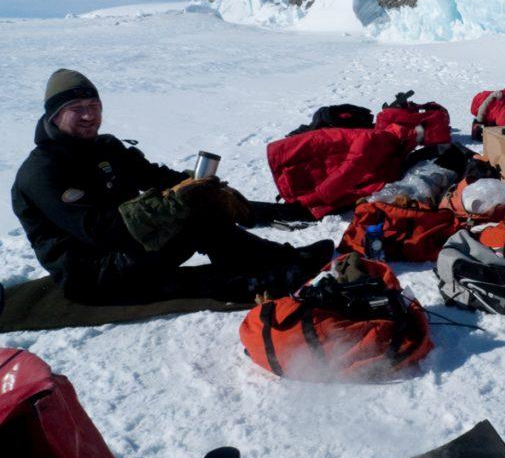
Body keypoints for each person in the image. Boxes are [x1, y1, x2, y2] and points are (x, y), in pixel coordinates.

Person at [11, 69, 332, 303]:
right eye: (76, 109)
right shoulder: (42, 173)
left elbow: (153, 175)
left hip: (129, 250)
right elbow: (98, 230)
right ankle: (256, 281)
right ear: (54, 116)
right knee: (191, 224)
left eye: (93, 107)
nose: (88, 116)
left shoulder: (105, 147)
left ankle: (280, 260)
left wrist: (201, 187)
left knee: (201, 208)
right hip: (93, 274)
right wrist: (173, 203)